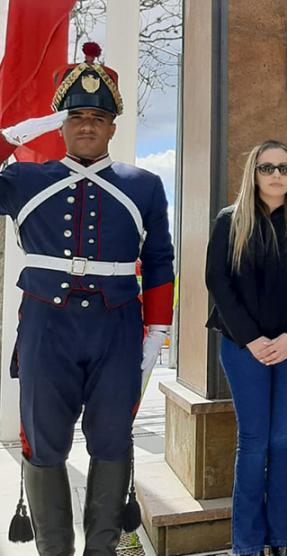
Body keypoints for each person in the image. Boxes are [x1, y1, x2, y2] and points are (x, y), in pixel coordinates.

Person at [0, 42, 175, 555]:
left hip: (116, 330)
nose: (86, 126)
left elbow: (160, 260)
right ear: (61, 122)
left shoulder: (143, 185)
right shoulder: (24, 179)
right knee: (45, 441)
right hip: (45, 329)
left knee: (111, 439)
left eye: (98, 117)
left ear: (112, 127)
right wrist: (14, 135)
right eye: (75, 116)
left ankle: (101, 549)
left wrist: (158, 331)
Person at [205, 140, 287, 556]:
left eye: (284, 168)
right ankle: (246, 544)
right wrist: (253, 339)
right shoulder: (230, 221)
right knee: (254, 440)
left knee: (283, 440)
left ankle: (283, 539)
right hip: (244, 348)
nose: (276, 175)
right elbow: (218, 283)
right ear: (253, 174)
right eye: (267, 168)